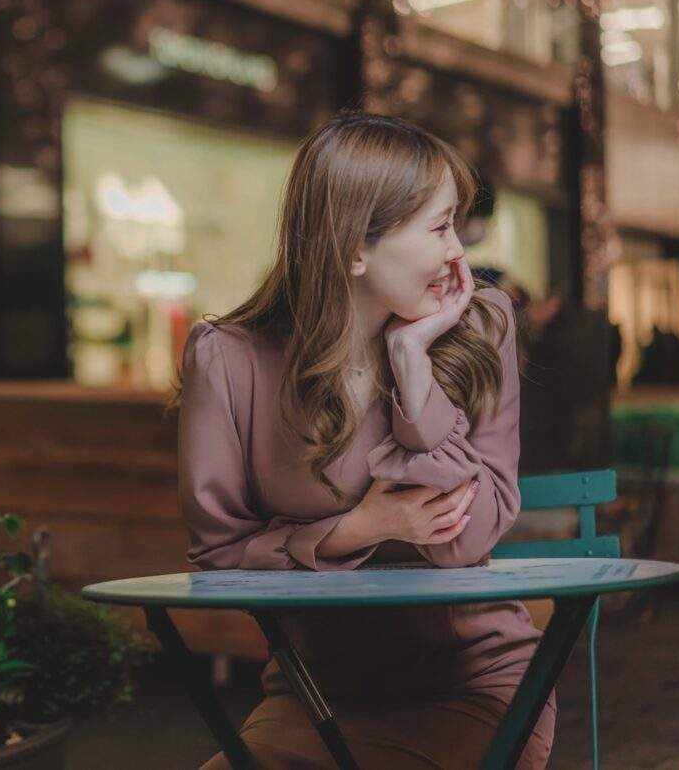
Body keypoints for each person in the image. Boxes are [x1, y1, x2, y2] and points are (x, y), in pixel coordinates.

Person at [171, 111, 555, 769]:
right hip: (313, 690)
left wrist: (412, 369)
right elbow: (218, 559)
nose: (459, 253)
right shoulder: (229, 360)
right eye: (440, 228)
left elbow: (465, 538)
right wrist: (353, 529)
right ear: (354, 246)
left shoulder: (481, 325)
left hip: (470, 679)